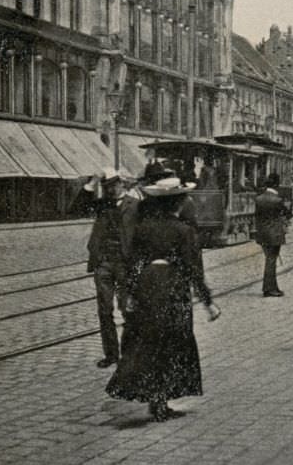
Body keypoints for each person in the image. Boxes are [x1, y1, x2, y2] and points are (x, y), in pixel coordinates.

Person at [106, 176, 220, 422]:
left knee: (149, 341)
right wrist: (207, 301)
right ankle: (163, 399)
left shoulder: (143, 228)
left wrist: (130, 294)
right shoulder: (184, 230)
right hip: (172, 286)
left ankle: (156, 399)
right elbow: (192, 269)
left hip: (147, 284)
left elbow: (133, 263)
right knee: (173, 342)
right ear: (177, 203)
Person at [86, 168, 141, 368]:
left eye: (112, 185)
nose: (109, 190)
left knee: (128, 308)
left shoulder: (135, 205)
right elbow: (75, 208)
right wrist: (91, 183)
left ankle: (130, 353)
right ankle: (111, 354)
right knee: (104, 309)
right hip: (104, 263)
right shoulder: (102, 206)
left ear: (121, 184)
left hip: (125, 264)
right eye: (106, 187)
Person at [254, 173, 293, 297]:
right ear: (276, 185)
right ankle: (269, 288)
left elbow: (257, 216)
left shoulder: (258, 199)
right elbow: (288, 214)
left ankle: (272, 286)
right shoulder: (278, 200)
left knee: (269, 259)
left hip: (262, 233)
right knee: (271, 260)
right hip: (274, 234)